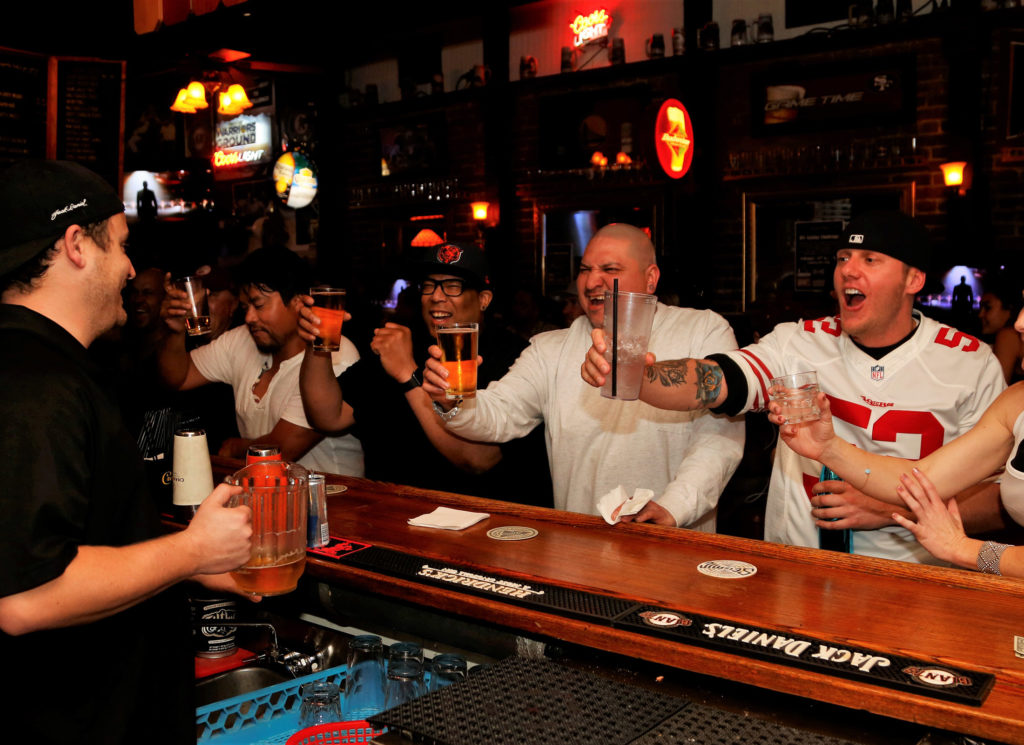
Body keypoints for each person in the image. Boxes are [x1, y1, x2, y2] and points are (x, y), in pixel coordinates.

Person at [0, 159, 254, 743]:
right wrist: (192, 551)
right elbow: (26, 595)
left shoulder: (44, 366)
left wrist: (194, 561)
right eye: (121, 245)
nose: (131, 268)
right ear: (76, 246)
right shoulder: (36, 384)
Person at [582, 211, 1006, 561]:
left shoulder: (969, 363)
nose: (847, 270)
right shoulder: (800, 341)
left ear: (913, 280)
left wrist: (891, 509)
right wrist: (641, 377)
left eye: (870, 259)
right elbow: (717, 381)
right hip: (798, 570)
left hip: (917, 580)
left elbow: (1000, 502)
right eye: (843, 257)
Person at [424, 223, 744, 529]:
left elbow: (720, 438)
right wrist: (450, 397)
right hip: (578, 547)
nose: (592, 282)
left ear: (650, 279)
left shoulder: (702, 330)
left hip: (676, 545)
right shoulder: (549, 348)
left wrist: (675, 506)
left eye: (610, 269)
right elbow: (496, 415)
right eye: (585, 270)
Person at [299, 242, 553, 504]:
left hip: (477, 525)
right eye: (429, 285)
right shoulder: (402, 341)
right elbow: (328, 416)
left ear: (483, 299)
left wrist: (408, 375)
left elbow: (478, 460)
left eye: (453, 286)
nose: (437, 296)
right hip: (387, 520)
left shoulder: (515, 356)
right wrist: (315, 345)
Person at [767, 373, 1024, 577]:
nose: (1020, 322)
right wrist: (828, 448)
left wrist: (963, 549)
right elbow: (924, 479)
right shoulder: (1017, 399)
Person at [158, 246, 365, 475]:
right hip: (264, 497)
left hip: (333, 502)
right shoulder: (242, 340)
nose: (249, 317)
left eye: (259, 305)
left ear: (298, 301)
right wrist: (175, 333)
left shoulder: (333, 353)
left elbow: (283, 450)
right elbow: (178, 377)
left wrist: (236, 446)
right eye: (246, 307)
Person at [977, 281, 1023, 384]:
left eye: (988, 308)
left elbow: (996, 390)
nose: (980, 314)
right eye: (980, 308)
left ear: (1009, 309)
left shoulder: (1007, 336)